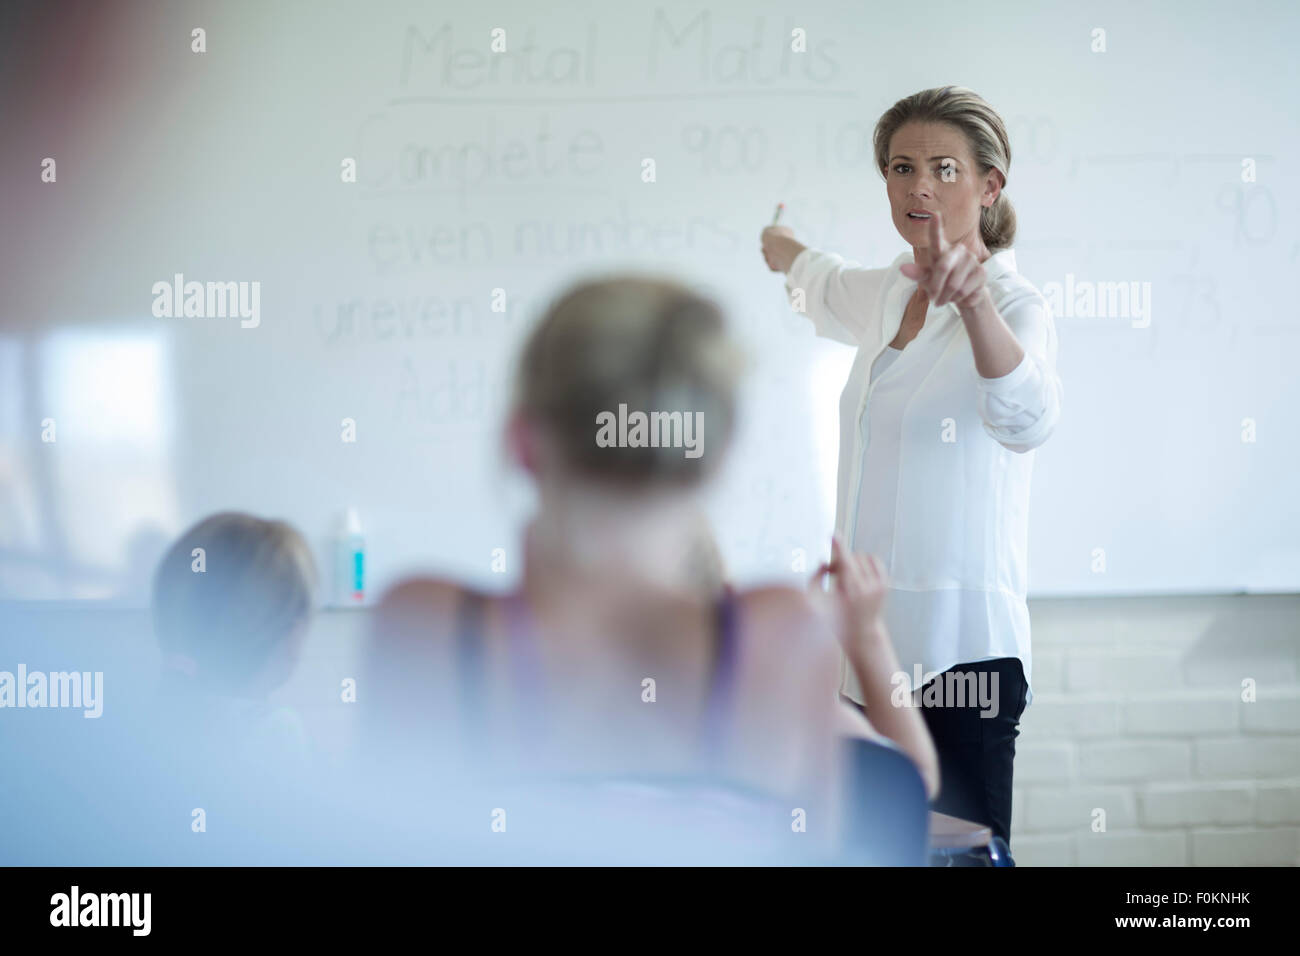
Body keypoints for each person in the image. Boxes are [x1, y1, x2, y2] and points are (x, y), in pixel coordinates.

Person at [359, 275, 938, 864]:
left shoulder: (422, 625)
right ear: (718, 453)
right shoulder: (782, 635)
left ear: (523, 442)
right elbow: (905, 789)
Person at [760, 85, 1063, 850]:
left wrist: (973, 308)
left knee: (960, 859)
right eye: (900, 167)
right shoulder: (890, 290)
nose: (918, 185)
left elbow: (1028, 419)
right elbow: (821, 283)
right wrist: (781, 244)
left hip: (962, 653)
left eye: (943, 169)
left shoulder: (1015, 306)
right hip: (866, 654)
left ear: (989, 186)